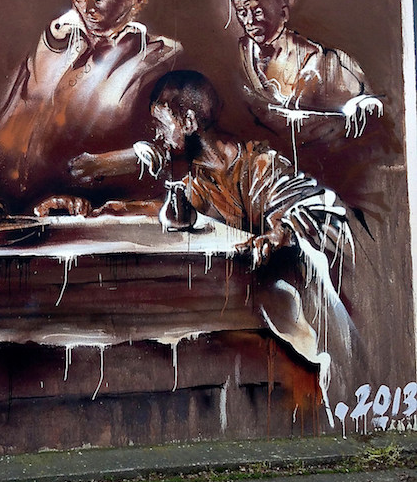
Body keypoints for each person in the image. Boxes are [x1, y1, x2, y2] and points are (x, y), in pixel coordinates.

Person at [61, 70, 357, 418]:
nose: (156, 135)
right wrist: (107, 208)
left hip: (313, 310)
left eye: (160, 124)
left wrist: (277, 234)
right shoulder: (201, 180)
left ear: (188, 122)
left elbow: (302, 208)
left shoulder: (258, 164)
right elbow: (170, 207)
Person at [0, 0, 182, 207]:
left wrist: (105, 164)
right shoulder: (57, 40)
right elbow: (19, 114)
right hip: (28, 202)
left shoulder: (159, 58)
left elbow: (175, 149)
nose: (86, 8)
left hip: (106, 208)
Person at [225, 0, 382, 152]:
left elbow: (366, 105)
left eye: (257, 12)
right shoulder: (245, 53)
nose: (249, 21)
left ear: (283, 14)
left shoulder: (321, 64)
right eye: (242, 12)